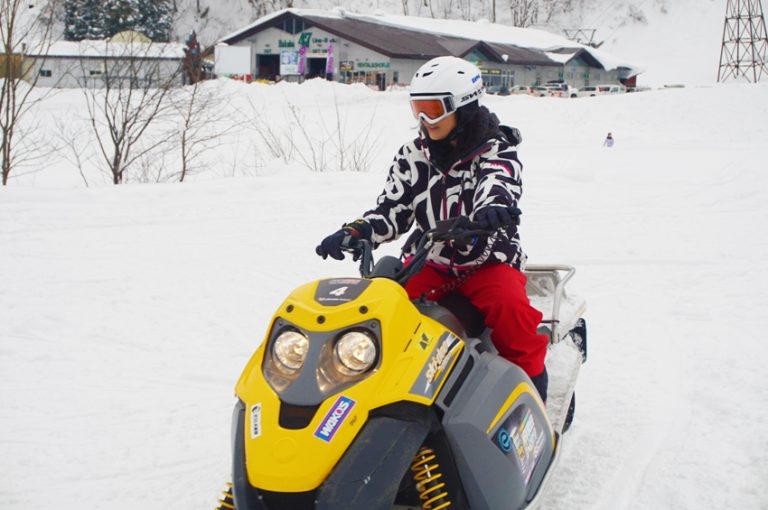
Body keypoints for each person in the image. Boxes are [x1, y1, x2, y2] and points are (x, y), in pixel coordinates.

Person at [316, 56, 549, 401]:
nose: (425, 120)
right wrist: (359, 231)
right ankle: (375, 391)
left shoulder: (495, 150)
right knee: (381, 309)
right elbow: (393, 209)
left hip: (487, 261)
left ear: (464, 106)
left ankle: (532, 393)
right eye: (417, 109)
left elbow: (498, 184)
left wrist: (491, 212)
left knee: (511, 309)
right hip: (431, 262)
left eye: (434, 109)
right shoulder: (413, 156)